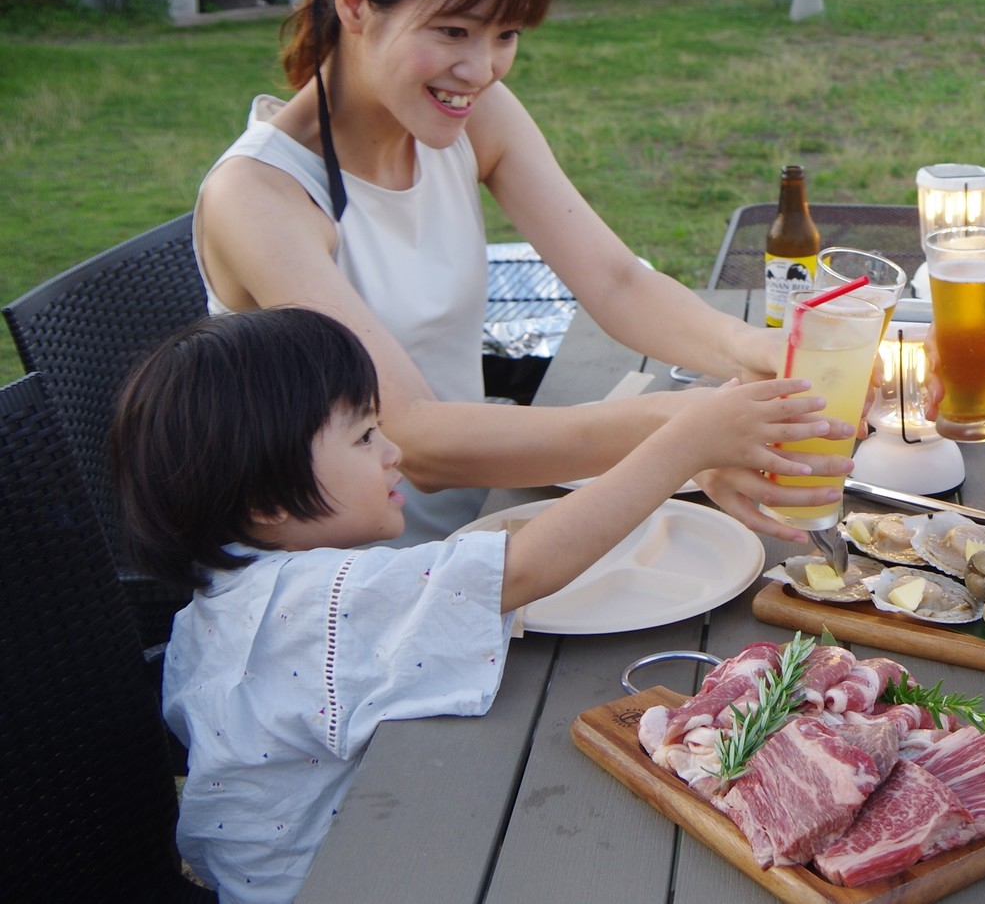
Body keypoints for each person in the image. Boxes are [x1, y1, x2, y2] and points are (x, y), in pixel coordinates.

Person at [192, 0, 845, 546]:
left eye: (506, 34)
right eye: (453, 31)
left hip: (478, 534)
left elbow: (618, 281)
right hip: (339, 597)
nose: (481, 69)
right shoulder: (260, 195)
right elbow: (415, 436)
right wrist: (684, 433)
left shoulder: (471, 117)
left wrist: (757, 351)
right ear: (355, 1)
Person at [113, 307, 834, 904]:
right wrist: (684, 442)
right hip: (343, 878)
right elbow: (526, 567)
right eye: (365, 436)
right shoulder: (321, 603)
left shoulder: (228, 598)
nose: (394, 450)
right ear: (268, 501)